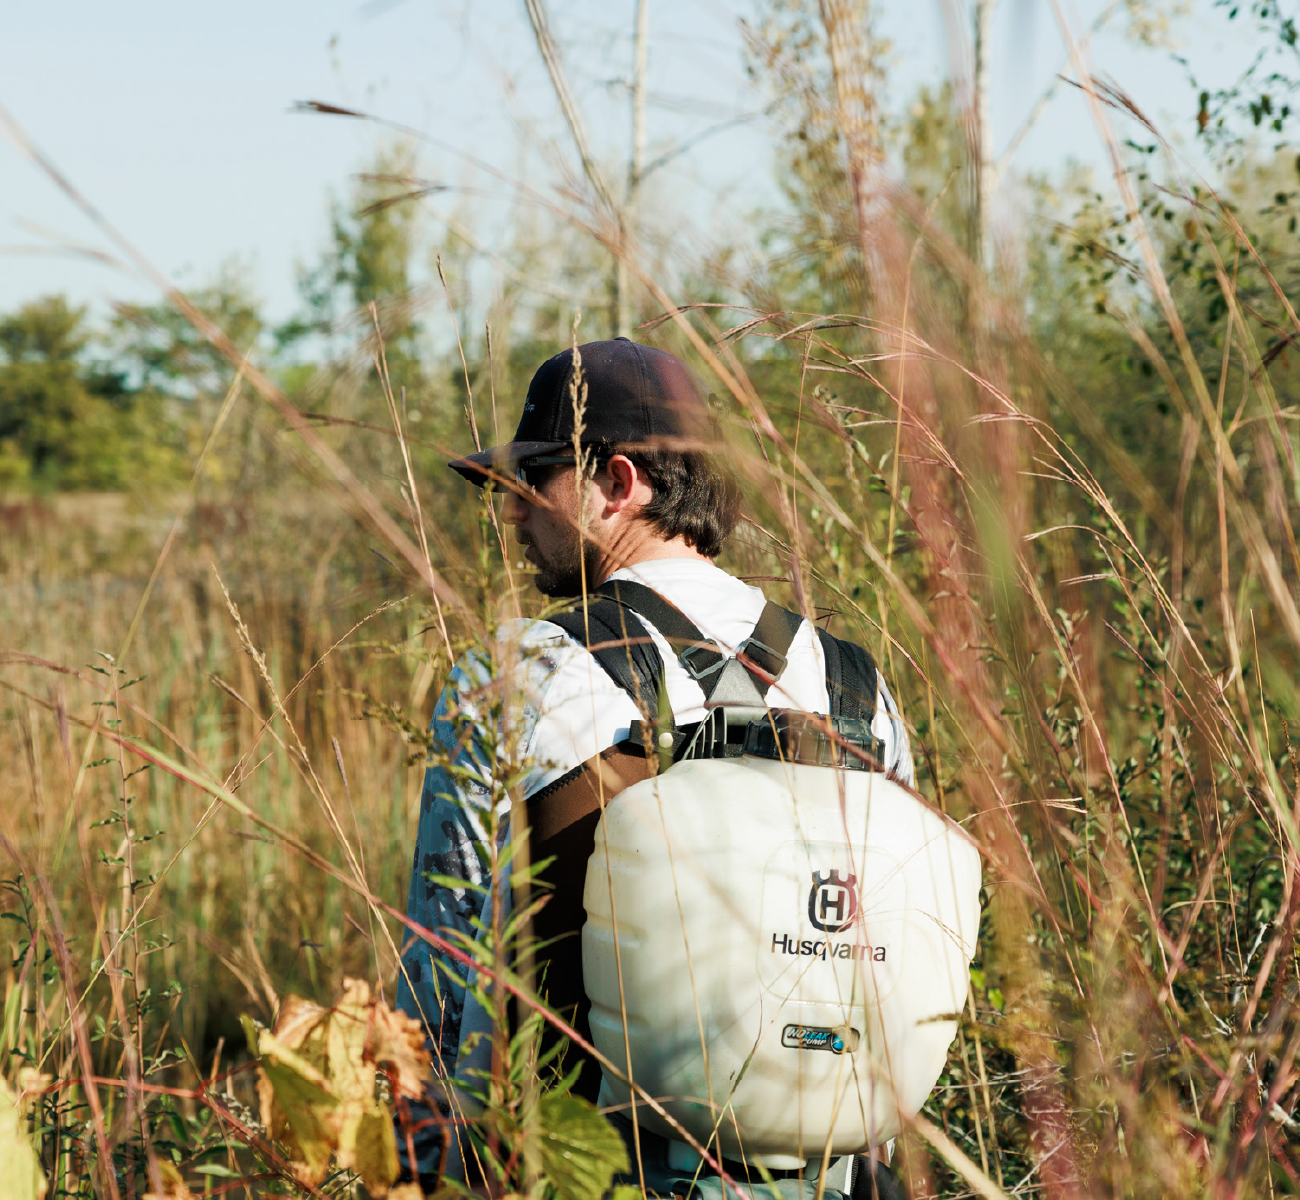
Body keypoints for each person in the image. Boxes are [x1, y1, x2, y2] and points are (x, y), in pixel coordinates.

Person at [395, 337, 913, 1195]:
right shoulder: (857, 682)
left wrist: (421, 1173)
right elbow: (889, 960)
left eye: (533, 482)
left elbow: (443, 974)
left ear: (618, 482)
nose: (513, 513)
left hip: (588, 1171)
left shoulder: (525, 669)